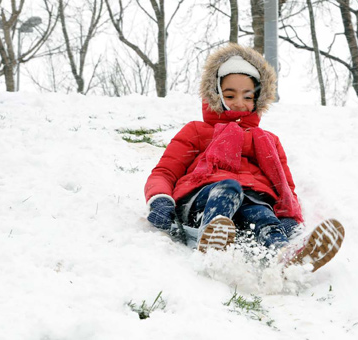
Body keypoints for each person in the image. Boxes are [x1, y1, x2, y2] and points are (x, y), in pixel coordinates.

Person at [144, 44, 343, 272]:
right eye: (230, 95)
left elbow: (284, 186)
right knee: (229, 188)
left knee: (262, 213)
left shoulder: (268, 141)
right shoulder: (196, 131)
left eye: (247, 96)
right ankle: (211, 238)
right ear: (216, 94)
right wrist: (160, 200)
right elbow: (164, 172)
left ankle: (283, 256)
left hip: (252, 201)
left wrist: (288, 219)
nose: (239, 102)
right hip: (202, 200)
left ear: (257, 98)